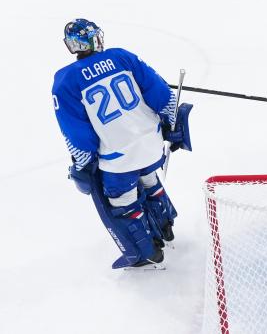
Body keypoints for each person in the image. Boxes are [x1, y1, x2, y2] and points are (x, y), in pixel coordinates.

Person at [52, 19, 191, 269]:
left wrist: (83, 165)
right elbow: (162, 94)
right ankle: (166, 228)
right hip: (153, 142)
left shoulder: (65, 82)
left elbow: (78, 135)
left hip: (119, 159)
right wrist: (170, 124)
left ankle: (148, 255)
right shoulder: (121, 57)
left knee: (122, 201)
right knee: (148, 177)